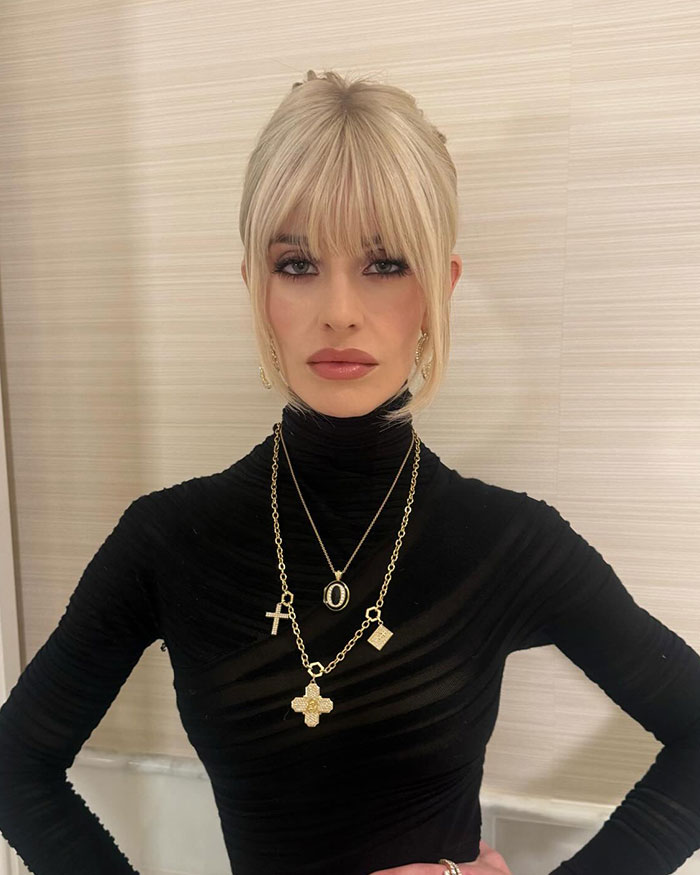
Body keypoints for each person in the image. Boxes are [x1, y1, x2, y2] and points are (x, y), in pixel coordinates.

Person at [0, 68, 699, 875]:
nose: (339, 308)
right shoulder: (167, 542)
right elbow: (18, 767)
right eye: (297, 263)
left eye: (386, 263)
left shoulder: (505, 541)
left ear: (442, 287)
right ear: (255, 287)